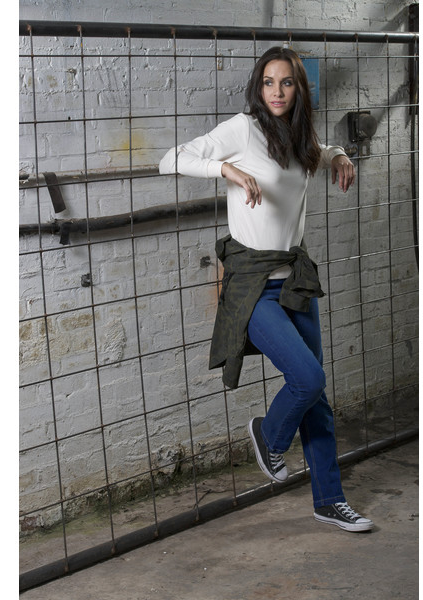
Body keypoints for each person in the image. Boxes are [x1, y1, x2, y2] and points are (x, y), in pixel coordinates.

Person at [159, 46, 373, 532]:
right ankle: (268, 435)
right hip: (254, 286)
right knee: (308, 379)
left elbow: (317, 151)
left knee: (316, 397)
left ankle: (329, 500)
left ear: (299, 88)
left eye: (287, 83)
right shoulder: (242, 129)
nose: (277, 92)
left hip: (294, 279)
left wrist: (338, 155)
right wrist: (226, 169)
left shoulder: (299, 133)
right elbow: (171, 158)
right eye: (269, 82)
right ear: (259, 87)